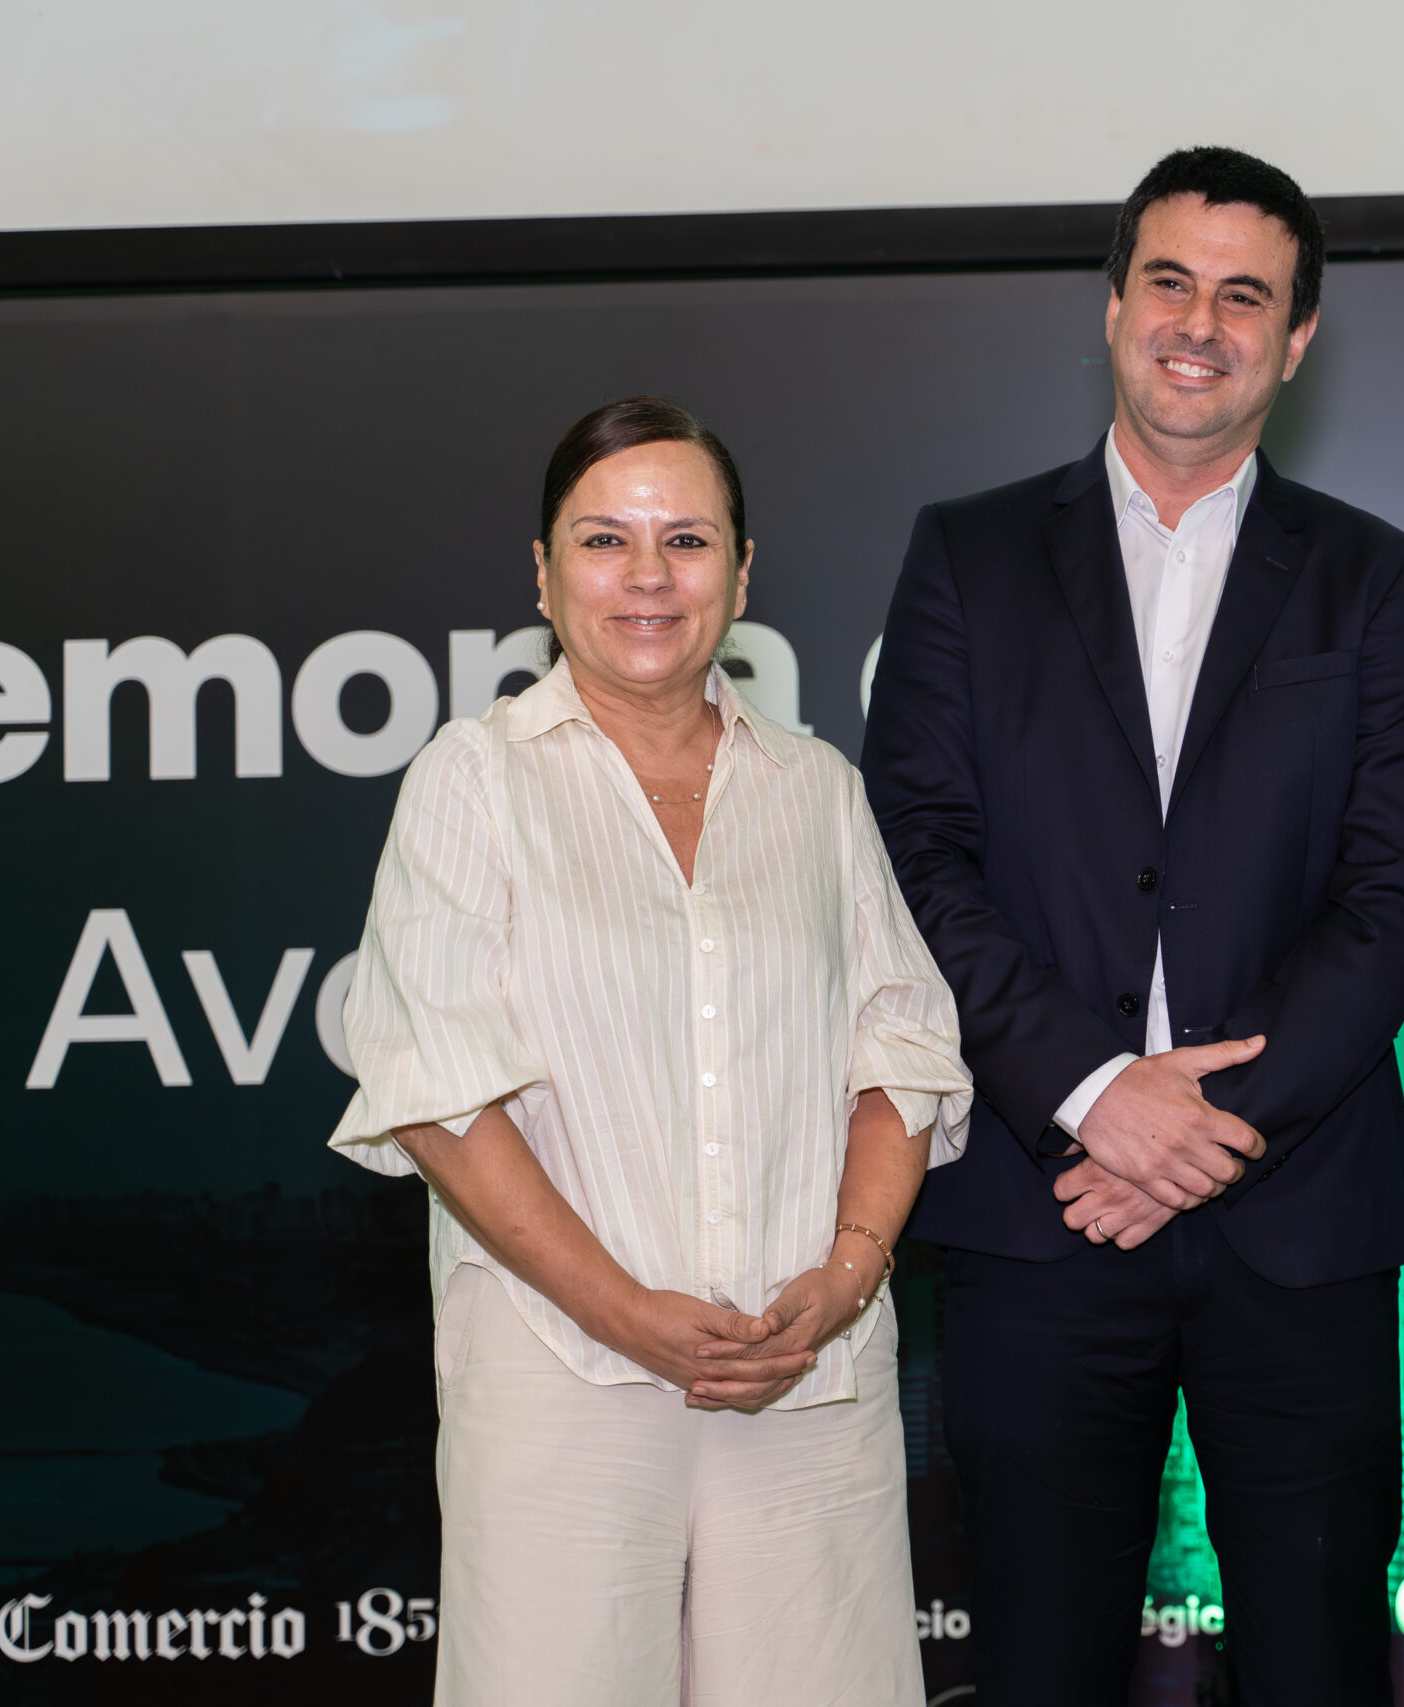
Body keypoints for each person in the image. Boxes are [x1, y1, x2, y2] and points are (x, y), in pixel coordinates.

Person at [861, 147, 1404, 1706]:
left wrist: (1205, 1126)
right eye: (1171, 282)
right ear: (1113, 306)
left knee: (1318, 1670)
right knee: (1043, 1669)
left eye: (1246, 296)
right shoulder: (968, 556)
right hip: (1041, 1209)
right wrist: (1093, 1095)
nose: (1201, 324)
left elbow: (1394, 891)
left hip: (1299, 1218)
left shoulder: (1376, 580)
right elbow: (916, 852)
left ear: (1297, 340)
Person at [328, 396, 971, 1707]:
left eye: (686, 541)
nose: (648, 577)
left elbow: (901, 1051)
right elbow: (438, 1093)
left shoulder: (816, 792)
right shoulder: (474, 779)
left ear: (742, 572)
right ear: (543, 572)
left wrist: (848, 1276)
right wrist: (626, 1314)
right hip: (562, 1375)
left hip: (804, 1373)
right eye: (604, 540)